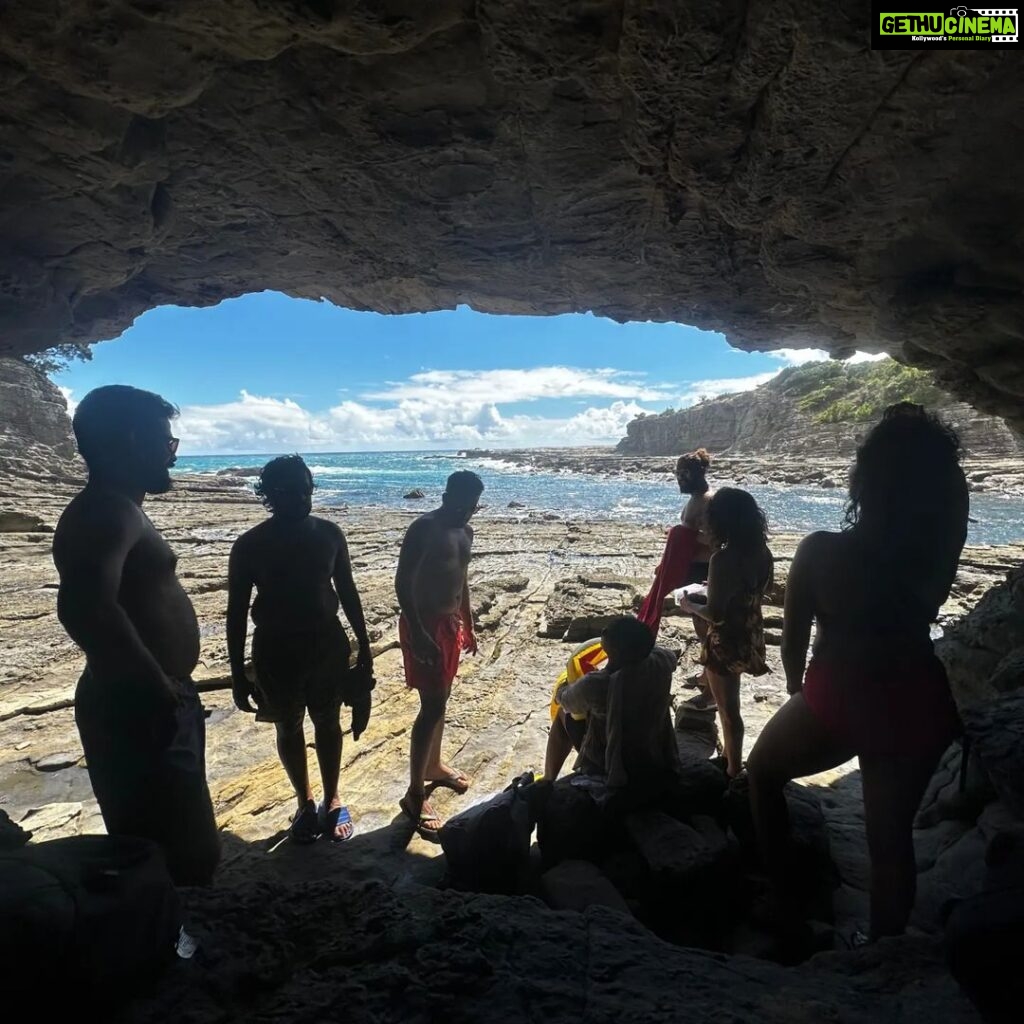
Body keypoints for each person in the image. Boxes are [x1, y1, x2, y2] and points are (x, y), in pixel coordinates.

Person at [746, 404, 968, 941]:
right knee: (890, 844)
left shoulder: (820, 551)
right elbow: (953, 505)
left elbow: (793, 647)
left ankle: (787, 904)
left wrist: (801, 689)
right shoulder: (934, 553)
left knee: (761, 772)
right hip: (917, 693)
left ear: (864, 481)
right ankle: (883, 953)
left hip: (840, 694)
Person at [52, 385, 220, 885]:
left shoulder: (117, 507)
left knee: (171, 842)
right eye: (165, 442)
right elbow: (84, 608)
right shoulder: (108, 509)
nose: (172, 454)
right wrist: (155, 686)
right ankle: (172, 951)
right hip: (138, 701)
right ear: (130, 439)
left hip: (145, 696)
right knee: (179, 853)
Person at [227, 456, 374, 844]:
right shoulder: (249, 545)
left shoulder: (330, 535)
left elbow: (348, 592)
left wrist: (366, 652)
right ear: (270, 495)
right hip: (275, 650)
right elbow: (236, 614)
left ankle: (332, 797)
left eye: (307, 487)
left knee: (328, 722)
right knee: (287, 724)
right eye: (291, 489)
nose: (302, 496)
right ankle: (304, 801)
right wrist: (237, 675)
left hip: (327, 643)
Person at [395, 470, 483, 841]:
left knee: (441, 700)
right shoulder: (423, 529)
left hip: (449, 625)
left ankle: (433, 766)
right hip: (424, 625)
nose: (467, 511)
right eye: (461, 503)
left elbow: (461, 578)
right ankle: (414, 794)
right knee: (430, 705)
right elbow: (402, 581)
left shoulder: (466, 532)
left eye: (473, 506)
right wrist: (417, 631)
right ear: (447, 496)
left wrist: (468, 622)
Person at [676, 487, 773, 778]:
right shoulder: (762, 552)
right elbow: (763, 589)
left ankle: (733, 770)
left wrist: (689, 605)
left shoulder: (722, 559)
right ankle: (732, 760)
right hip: (752, 633)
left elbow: (715, 614)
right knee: (731, 705)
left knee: (728, 710)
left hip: (726, 640)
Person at [544, 616, 680, 790]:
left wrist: (564, 686)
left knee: (563, 715)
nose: (604, 631)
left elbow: (567, 702)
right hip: (653, 745)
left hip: (613, 757)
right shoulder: (662, 662)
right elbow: (664, 654)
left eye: (608, 631)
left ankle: (548, 780)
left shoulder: (599, 684)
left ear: (613, 648)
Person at [676, 448, 715, 580]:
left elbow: (716, 541)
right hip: (690, 566)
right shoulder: (696, 497)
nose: (680, 478)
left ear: (699, 473)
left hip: (702, 569)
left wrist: (682, 534)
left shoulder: (708, 500)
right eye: (677, 473)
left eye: (685, 473)